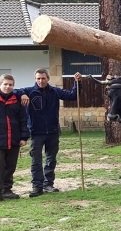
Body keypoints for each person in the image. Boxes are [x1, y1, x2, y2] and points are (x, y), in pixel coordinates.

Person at [17, 69, 81, 197]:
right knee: (36, 160)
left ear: (48, 78)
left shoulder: (55, 91)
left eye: (43, 78)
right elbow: (15, 91)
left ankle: (48, 184)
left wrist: (77, 83)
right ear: (35, 79)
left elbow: (73, 96)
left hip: (52, 132)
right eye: (38, 78)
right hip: (36, 132)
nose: (41, 81)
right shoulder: (29, 91)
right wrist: (22, 94)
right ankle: (37, 187)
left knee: (51, 159)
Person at [1, 74, 29, 200]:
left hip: (14, 139)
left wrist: (24, 137)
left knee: (10, 167)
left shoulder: (17, 100)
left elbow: (23, 120)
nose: (8, 87)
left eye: (10, 84)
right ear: (1, 84)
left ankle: (7, 190)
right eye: (5, 84)